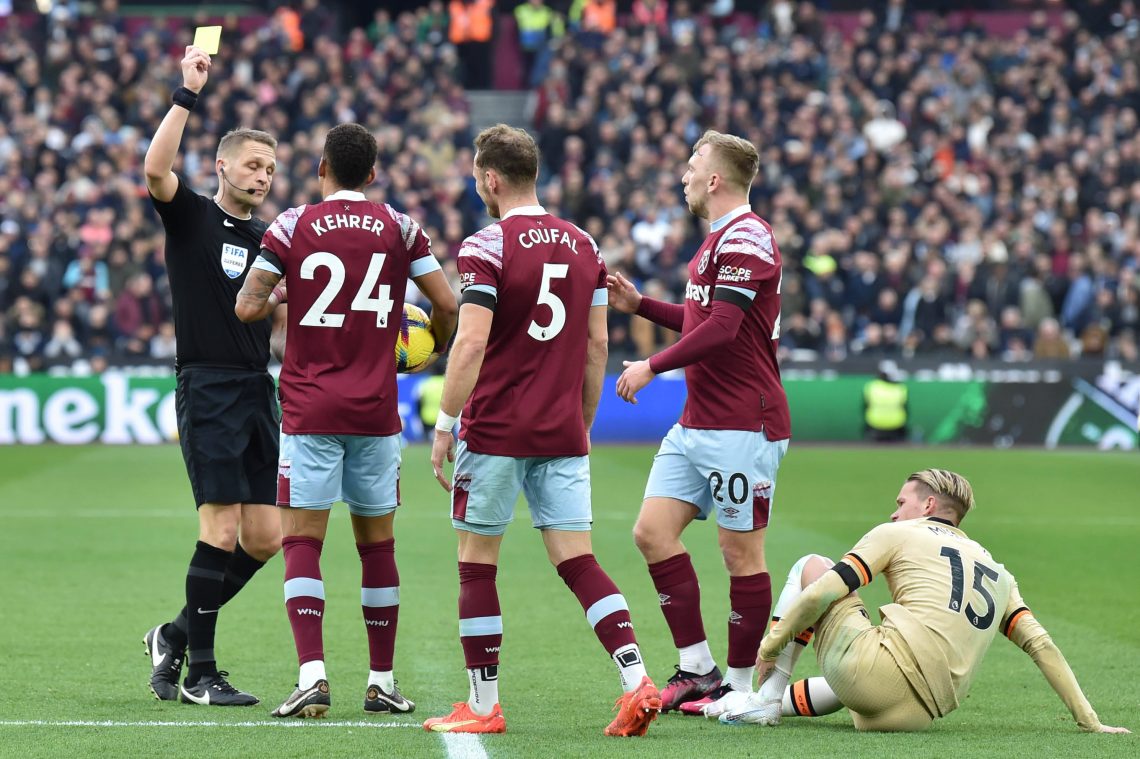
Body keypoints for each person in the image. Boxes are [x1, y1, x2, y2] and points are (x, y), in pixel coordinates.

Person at [424, 124, 661, 737]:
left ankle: (481, 706)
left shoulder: (485, 246)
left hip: (497, 429)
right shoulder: (587, 247)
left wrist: (446, 422)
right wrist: (580, 425)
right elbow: (598, 345)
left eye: (478, 175)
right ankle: (637, 681)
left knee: (477, 562)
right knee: (579, 562)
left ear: (491, 178)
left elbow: (471, 339)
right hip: (561, 432)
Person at [234, 123, 459, 719]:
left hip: (310, 407)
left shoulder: (291, 225)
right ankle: (382, 680)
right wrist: (430, 348)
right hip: (376, 410)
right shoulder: (400, 227)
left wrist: (285, 294)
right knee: (377, 546)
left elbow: (247, 305)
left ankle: (313, 675)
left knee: (302, 541)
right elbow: (450, 303)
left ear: (321, 169)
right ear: (374, 173)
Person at [720, 469, 1131, 735]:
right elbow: (1042, 647)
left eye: (902, 503)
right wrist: (1089, 721)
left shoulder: (898, 533)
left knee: (812, 565)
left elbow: (822, 592)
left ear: (928, 505)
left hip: (873, 676)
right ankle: (751, 704)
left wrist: (770, 644)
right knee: (867, 668)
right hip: (916, 716)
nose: (895, 512)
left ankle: (767, 698)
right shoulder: (999, 571)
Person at [607, 130, 791, 716]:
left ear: (715, 179)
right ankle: (698, 668)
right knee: (651, 533)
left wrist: (651, 366)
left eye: (693, 165)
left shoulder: (749, 238)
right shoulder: (716, 241)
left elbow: (722, 330)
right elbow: (699, 319)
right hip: (699, 422)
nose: (685, 174)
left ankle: (739, 685)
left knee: (741, 554)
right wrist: (642, 308)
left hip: (744, 423)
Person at [141, 45, 282, 707]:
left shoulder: (272, 241)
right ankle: (200, 672)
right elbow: (154, 167)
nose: (264, 175)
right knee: (219, 528)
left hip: (259, 389)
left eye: (272, 168)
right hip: (208, 388)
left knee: (265, 537)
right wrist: (187, 92)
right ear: (222, 164)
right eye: (253, 164)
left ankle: (171, 633)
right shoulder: (191, 214)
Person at [863, 361, 908, 442]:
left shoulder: (871, 386)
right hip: (896, 426)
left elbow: (864, 407)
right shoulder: (900, 388)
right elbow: (906, 409)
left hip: (874, 424)